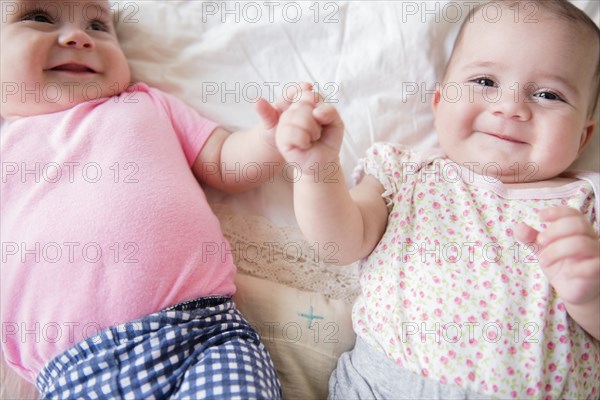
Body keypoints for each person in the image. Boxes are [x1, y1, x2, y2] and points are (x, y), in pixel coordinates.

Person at [274, 0, 600, 398]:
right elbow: (340, 242)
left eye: (549, 94)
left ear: (584, 137)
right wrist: (317, 169)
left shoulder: (588, 204)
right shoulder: (406, 174)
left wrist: (590, 293)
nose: (511, 107)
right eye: (485, 82)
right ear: (439, 101)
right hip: (384, 386)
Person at [0, 0, 293, 397]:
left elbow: (226, 163)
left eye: (99, 26)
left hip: (201, 336)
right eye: (39, 18)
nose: (79, 37)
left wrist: (273, 138)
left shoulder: (144, 103)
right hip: (74, 372)